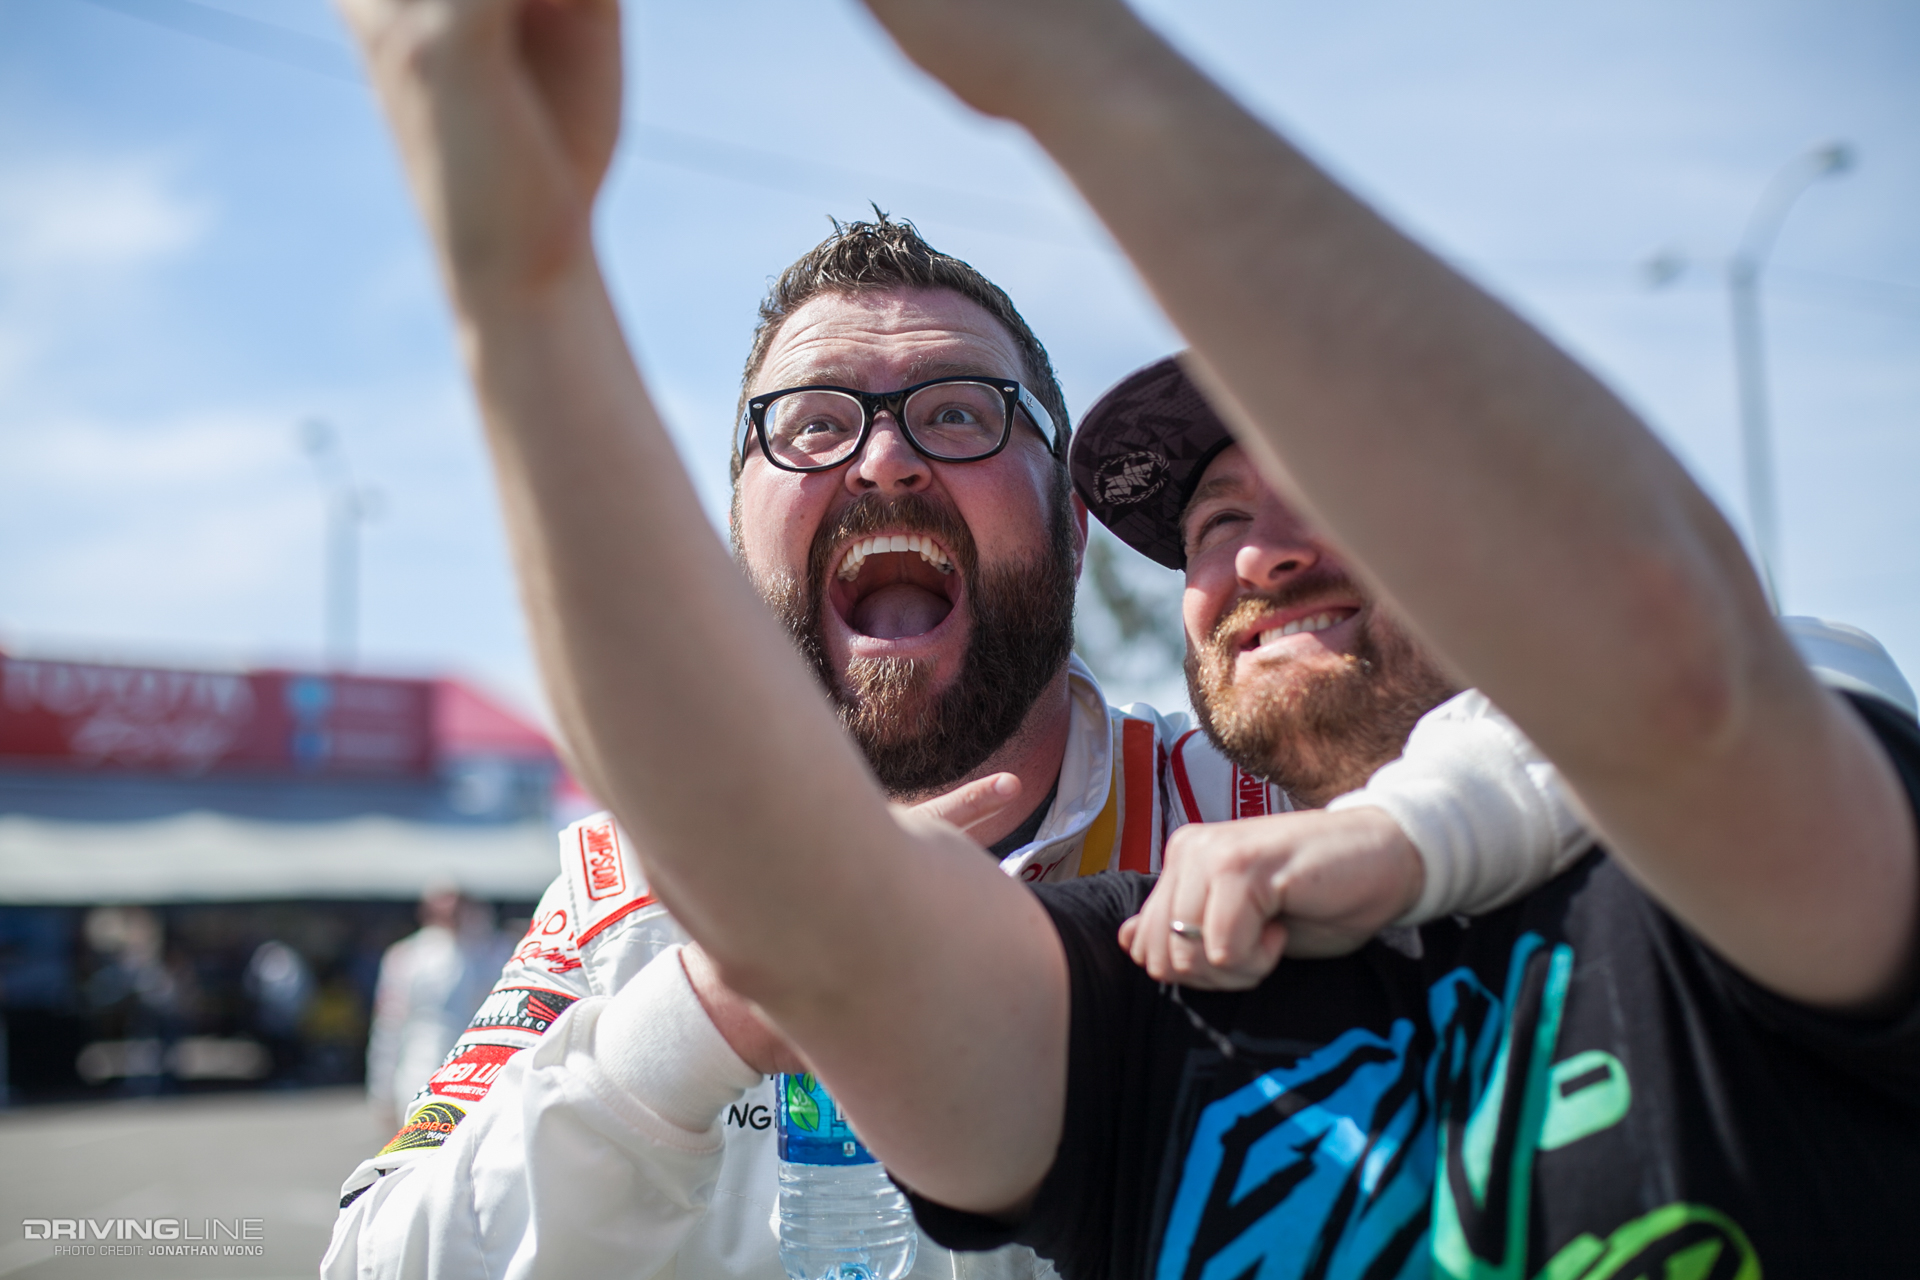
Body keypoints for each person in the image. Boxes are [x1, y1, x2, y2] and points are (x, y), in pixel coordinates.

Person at [325, 0, 1920, 1273]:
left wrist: (1405, 835)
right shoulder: (620, 890)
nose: (884, 460)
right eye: (810, 427)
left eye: (958, 413)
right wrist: (706, 1012)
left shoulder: (1241, 841)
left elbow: (1708, 682)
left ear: (1072, 519)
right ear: (737, 517)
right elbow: (383, 1260)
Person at [364, 888, 511, 1133]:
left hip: (480, 1078)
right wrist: (381, 1091)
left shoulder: (492, 952)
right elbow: (388, 1027)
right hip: (419, 1076)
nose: (451, 913)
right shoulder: (406, 956)